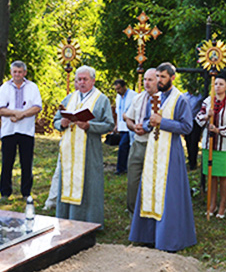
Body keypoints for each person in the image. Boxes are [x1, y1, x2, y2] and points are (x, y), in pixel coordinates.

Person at [129, 62, 197, 252]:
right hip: (153, 150)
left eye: (163, 77)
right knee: (150, 190)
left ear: (172, 78)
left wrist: (163, 122)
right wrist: (147, 123)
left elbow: (186, 127)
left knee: (169, 193)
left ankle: (169, 238)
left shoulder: (180, 99)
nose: (159, 80)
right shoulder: (155, 97)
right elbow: (149, 121)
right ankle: (148, 235)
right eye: (157, 76)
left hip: (170, 152)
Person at [53, 66, 114, 224]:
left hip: (89, 149)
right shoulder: (69, 98)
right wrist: (63, 123)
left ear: (93, 80)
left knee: (89, 183)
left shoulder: (102, 99)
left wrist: (90, 126)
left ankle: (88, 221)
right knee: (67, 181)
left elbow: (109, 124)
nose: (81, 82)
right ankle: (65, 218)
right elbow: (56, 120)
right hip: (69, 151)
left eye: (85, 79)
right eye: (79, 79)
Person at [0, 61, 42, 201]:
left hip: (26, 131)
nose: (17, 74)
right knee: (7, 162)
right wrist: (15, 113)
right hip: (9, 131)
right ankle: (5, 192)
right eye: (15, 72)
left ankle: (26, 192)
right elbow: (0, 109)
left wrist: (22, 115)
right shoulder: (4, 87)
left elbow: (37, 107)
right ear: (11, 72)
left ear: (25, 73)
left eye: (20, 72)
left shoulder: (32, 87)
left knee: (26, 162)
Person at [196, 75, 226, 218]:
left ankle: (222, 206)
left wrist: (219, 130)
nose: (218, 86)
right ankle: (211, 204)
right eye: (216, 84)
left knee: (223, 176)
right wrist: (207, 116)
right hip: (209, 145)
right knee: (211, 176)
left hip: (224, 146)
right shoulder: (208, 101)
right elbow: (198, 118)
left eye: (221, 84)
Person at [123, 68, 158, 217]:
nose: (146, 83)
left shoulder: (163, 99)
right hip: (138, 144)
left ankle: (151, 215)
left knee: (152, 183)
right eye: (145, 79)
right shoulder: (138, 98)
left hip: (154, 145)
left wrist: (147, 128)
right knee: (133, 181)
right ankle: (133, 215)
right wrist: (134, 127)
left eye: (150, 80)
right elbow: (128, 118)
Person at [112, 78, 136, 175]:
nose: (117, 91)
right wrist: (117, 125)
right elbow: (118, 112)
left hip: (129, 126)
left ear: (124, 87)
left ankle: (121, 168)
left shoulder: (133, 95)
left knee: (123, 146)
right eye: (116, 89)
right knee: (124, 147)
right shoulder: (118, 97)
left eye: (119, 89)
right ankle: (125, 167)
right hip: (122, 126)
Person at [182, 89, 205, 172]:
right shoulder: (184, 96)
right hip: (186, 121)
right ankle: (190, 159)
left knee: (194, 141)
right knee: (188, 140)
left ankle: (193, 163)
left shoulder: (200, 96)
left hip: (196, 122)